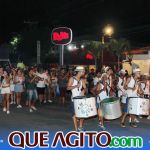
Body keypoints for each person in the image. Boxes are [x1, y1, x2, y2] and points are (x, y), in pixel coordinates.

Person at [67, 66, 87, 131]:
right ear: (79, 72)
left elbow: (86, 88)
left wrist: (83, 91)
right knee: (74, 115)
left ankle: (80, 126)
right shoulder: (72, 79)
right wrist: (75, 86)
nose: (84, 72)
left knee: (83, 114)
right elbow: (67, 88)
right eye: (83, 71)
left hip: (81, 99)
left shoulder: (82, 80)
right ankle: (76, 129)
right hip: (74, 100)